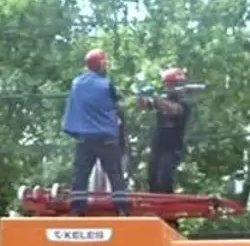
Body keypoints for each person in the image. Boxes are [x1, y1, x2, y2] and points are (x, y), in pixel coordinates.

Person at [62, 48, 129, 216]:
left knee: (81, 175)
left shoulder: (76, 83)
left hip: (85, 138)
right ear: (101, 64)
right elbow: (119, 101)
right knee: (115, 174)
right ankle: (122, 209)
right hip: (106, 138)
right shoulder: (106, 84)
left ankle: (77, 209)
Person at [139, 67, 193, 194]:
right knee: (152, 179)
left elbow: (173, 110)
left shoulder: (184, 103)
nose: (168, 87)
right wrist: (141, 95)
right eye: (167, 84)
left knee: (165, 179)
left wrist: (156, 98)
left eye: (171, 84)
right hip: (158, 146)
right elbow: (144, 105)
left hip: (172, 148)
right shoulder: (164, 99)